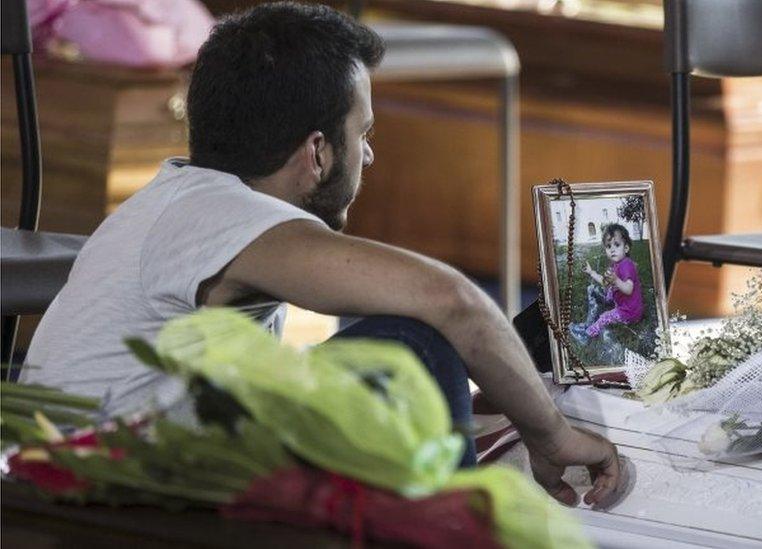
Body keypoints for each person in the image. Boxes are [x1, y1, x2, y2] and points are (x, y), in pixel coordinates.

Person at [21, 2, 620, 507]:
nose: (370, 156)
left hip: (116, 478)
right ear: (317, 152)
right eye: (363, 134)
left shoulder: (184, 198)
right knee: (411, 346)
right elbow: (454, 300)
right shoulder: (222, 218)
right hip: (104, 503)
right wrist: (553, 435)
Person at [572, 224, 644, 341]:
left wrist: (616, 280)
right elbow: (605, 282)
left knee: (605, 316)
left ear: (626, 248)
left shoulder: (626, 264)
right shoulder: (615, 265)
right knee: (606, 289)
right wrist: (591, 272)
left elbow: (629, 289)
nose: (612, 249)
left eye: (616, 245)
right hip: (622, 304)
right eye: (608, 246)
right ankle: (591, 321)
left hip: (630, 312)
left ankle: (586, 335)